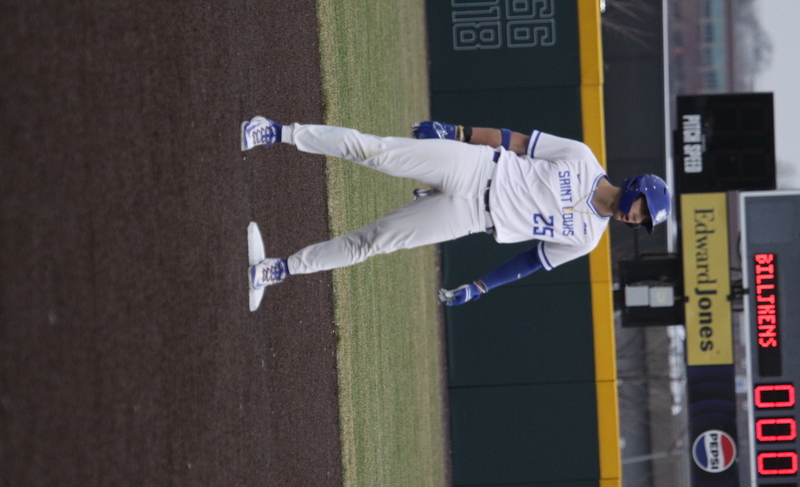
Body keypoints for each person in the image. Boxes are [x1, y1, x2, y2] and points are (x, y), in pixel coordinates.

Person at [240, 117, 671, 306]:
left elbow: (531, 261)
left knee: (374, 242)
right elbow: (516, 141)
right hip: (475, 166)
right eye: (643, 209)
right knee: (374, 151)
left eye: (644, 222)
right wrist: (460, 132)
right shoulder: (581, 157)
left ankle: (280, 268)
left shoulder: (587, 238)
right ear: (637, 187)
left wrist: (482, 286)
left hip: (472, 219)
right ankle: (276, 131)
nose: (638, 219)